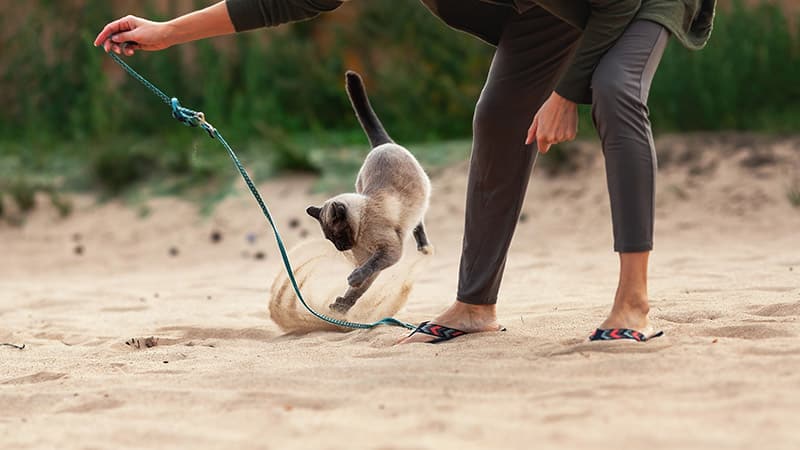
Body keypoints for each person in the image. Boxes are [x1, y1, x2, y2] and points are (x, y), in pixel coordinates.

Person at [95, 0, 716, 344]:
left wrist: (566, 94)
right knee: (499, 115)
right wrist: (168, 32)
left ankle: (632, 301)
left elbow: (615, 4)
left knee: (612, 88)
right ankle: (476, 304)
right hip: (550, 13)